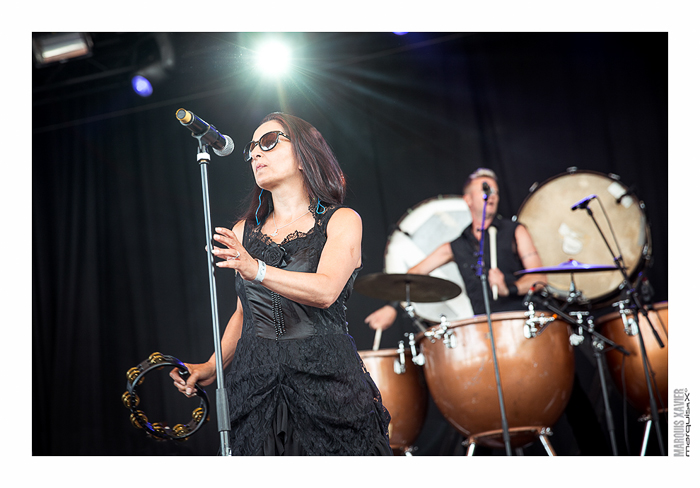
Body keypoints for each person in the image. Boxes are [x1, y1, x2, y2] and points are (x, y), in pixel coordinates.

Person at [170, 112, 392, 456]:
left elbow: (325, 290)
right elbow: (244, 314)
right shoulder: (244, 231)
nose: (256, 153)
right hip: (254, 380)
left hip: (325, 377)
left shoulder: (341, 220)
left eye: (269, 142)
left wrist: (256, 268)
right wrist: (211, 366)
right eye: (251, 148)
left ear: (304, 155)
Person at [365, 168, 546, 331]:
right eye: (485, 190)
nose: (492, 195)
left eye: (495, 192)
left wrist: (509, 288)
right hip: (483, 328)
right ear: (468, 199)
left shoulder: (515, 231)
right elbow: (413, 275)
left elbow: (539, 278)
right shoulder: (456, 246)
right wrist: (392, 306)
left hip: (521, 321)